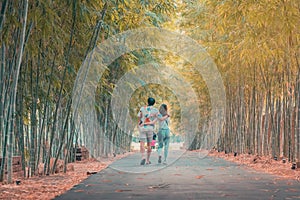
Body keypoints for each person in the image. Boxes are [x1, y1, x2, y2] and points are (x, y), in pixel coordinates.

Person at [137, 97, 159, 165]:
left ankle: (143, 157)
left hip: (143, 128)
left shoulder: (142, 108)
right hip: (150, 128)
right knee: (149, 145)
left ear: (147, 102)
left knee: (142, 144)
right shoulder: (155, 110)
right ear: (154, 103)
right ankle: (147, 160)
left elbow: (139, 116)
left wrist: (139, 123)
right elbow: (156, 119)